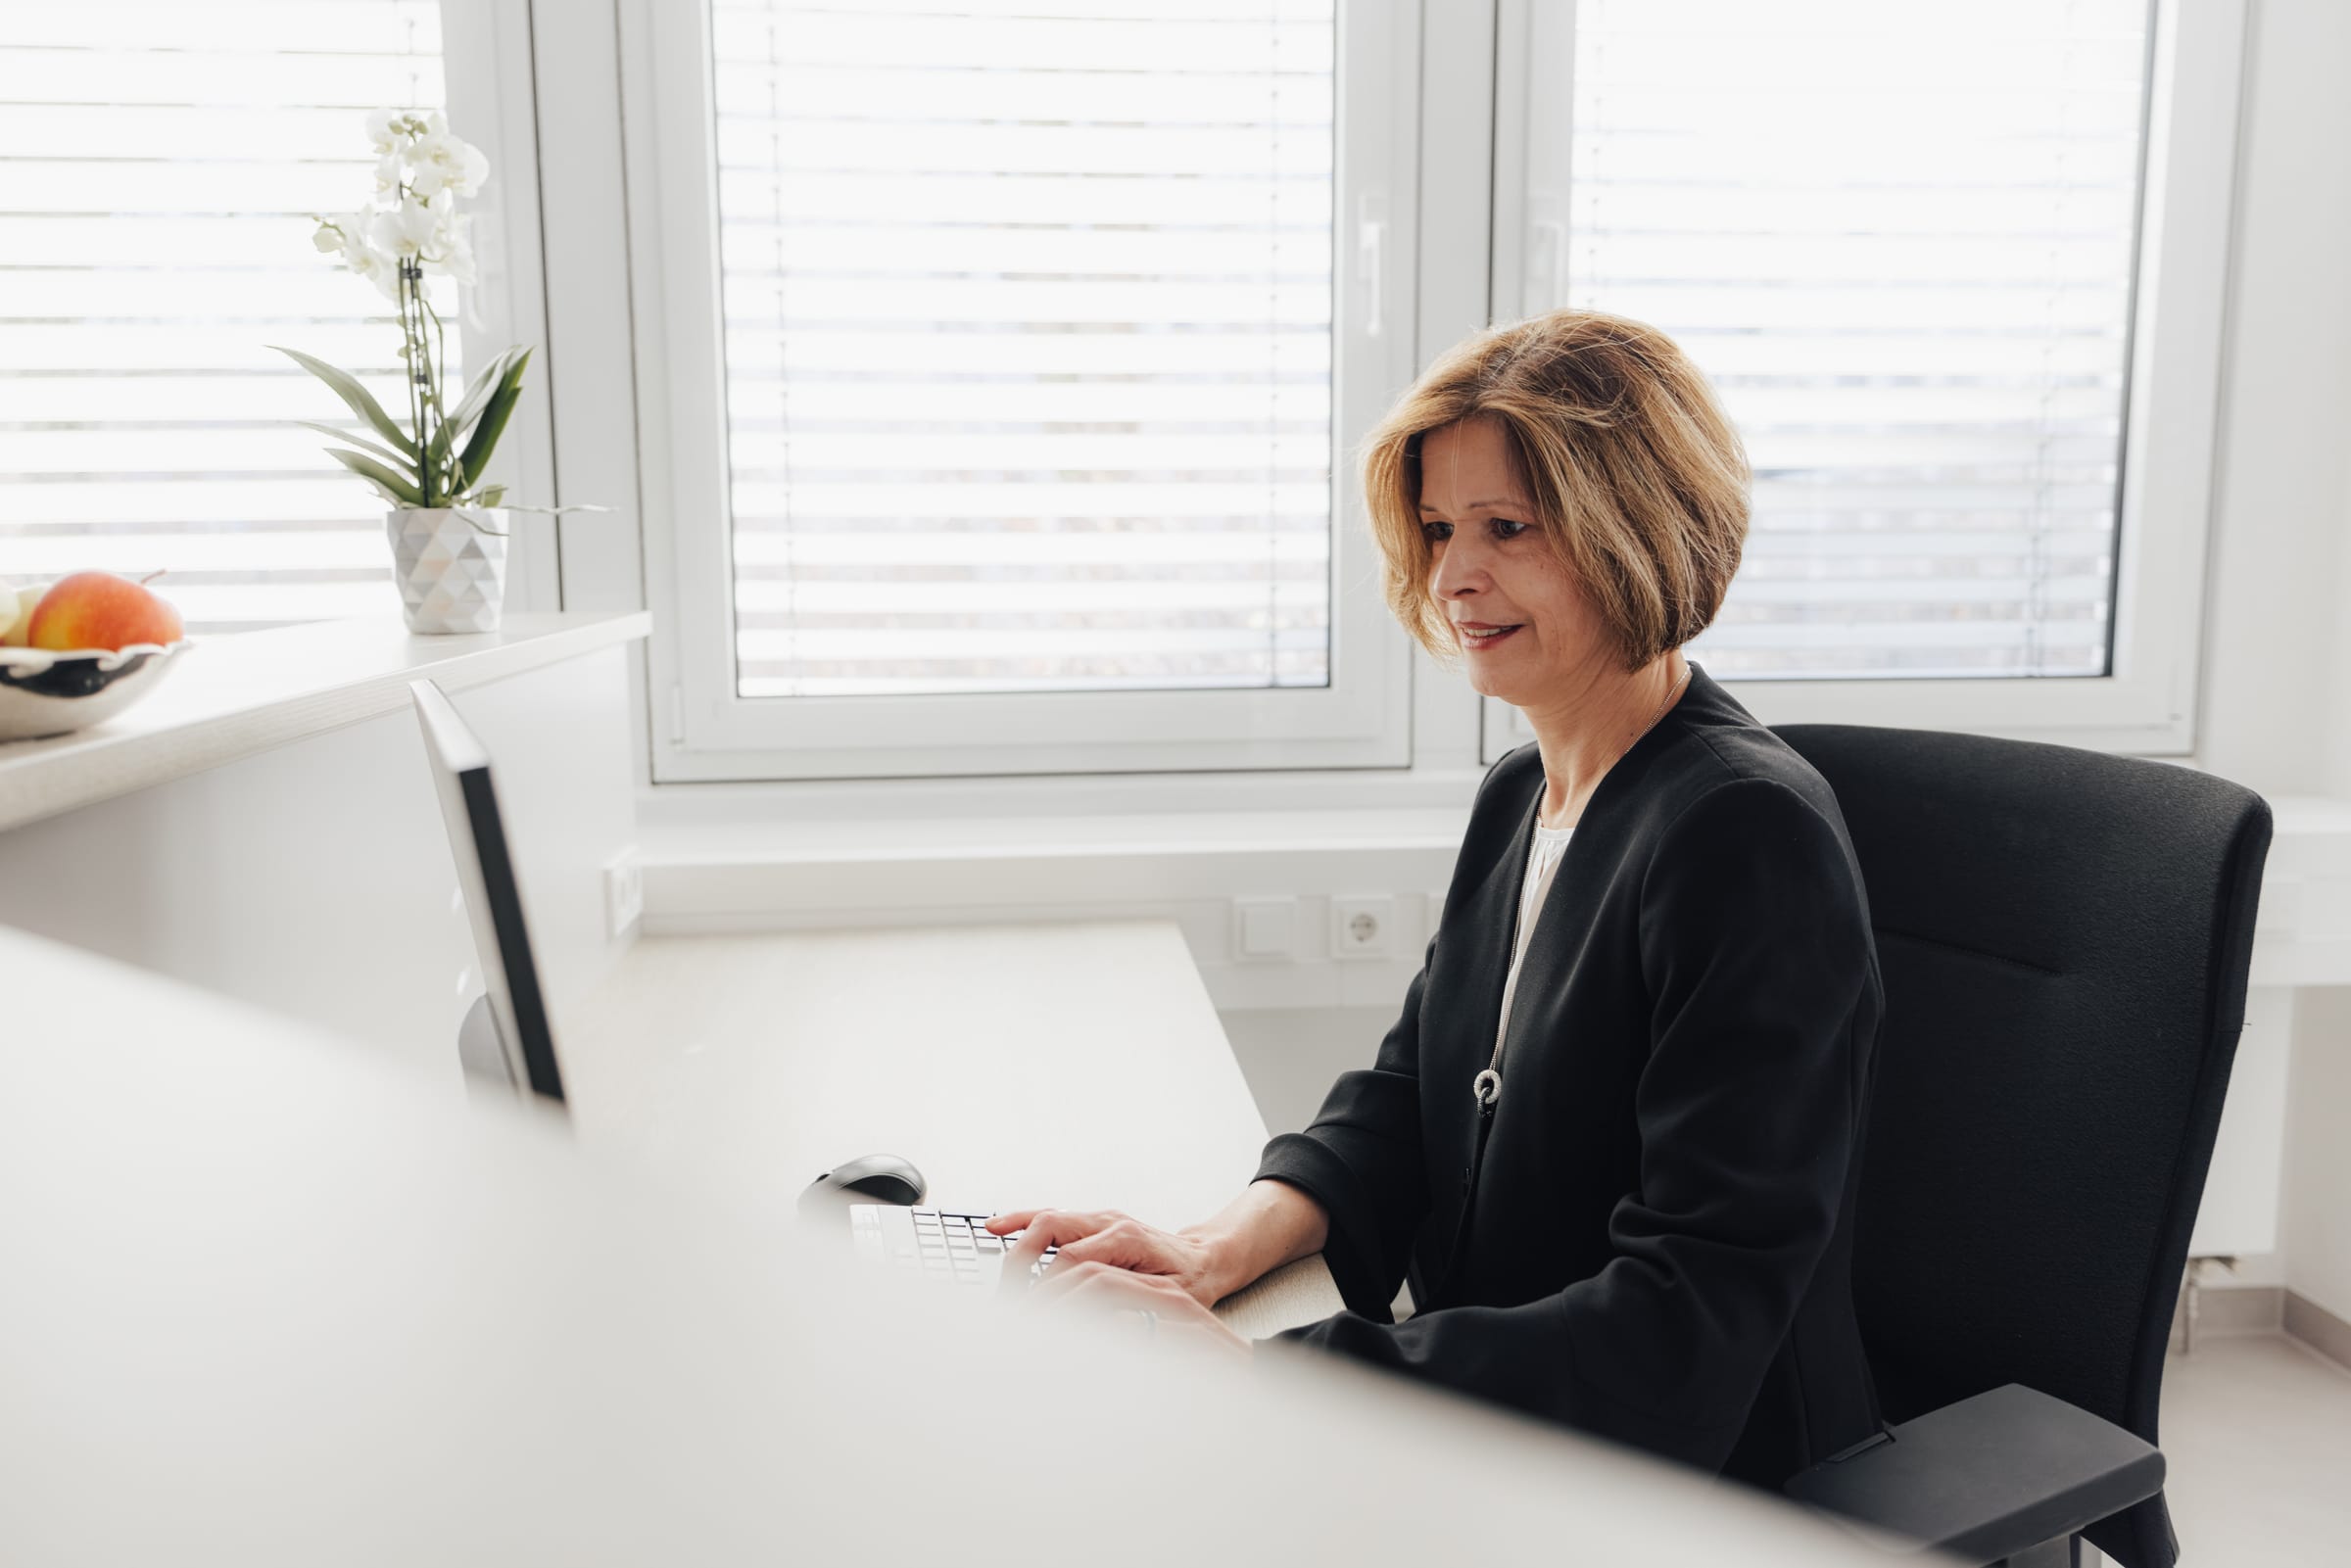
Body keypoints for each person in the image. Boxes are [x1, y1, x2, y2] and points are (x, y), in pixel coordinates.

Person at [990, 308, 1885, 1488]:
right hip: (1506, 1402)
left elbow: (1690, 1316)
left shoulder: (1742, 834)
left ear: (1637, 528)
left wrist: (1278, 1375)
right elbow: (1416, 1091)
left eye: (1507, 528)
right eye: (1439, 527)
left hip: (1692, 1481)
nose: (1456, 575)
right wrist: (1207, 1248)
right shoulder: (1527, 787)